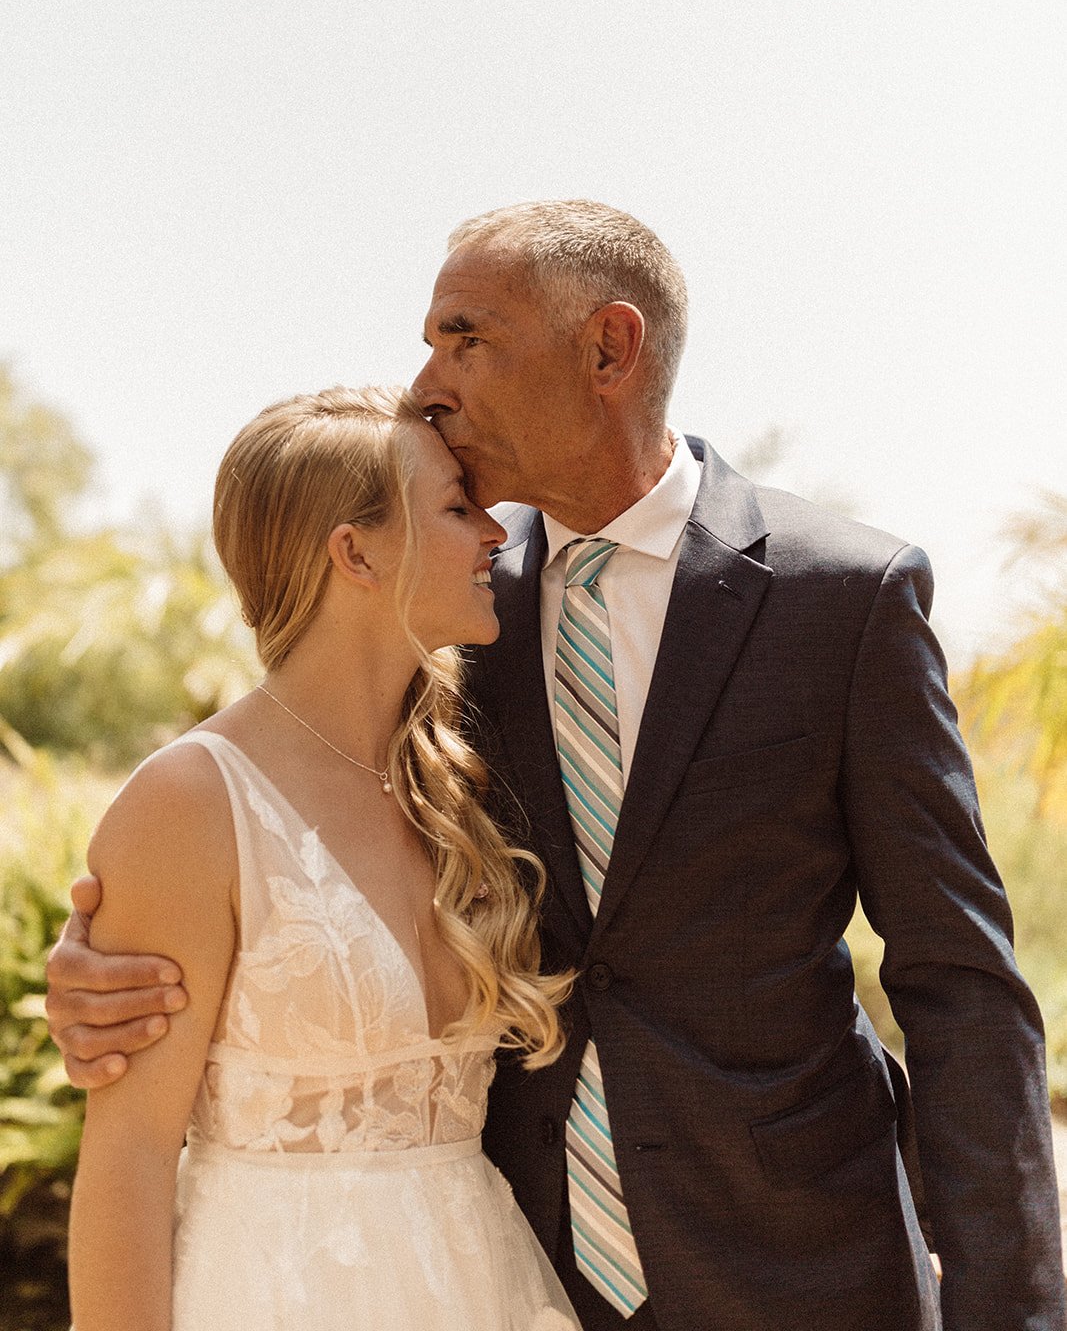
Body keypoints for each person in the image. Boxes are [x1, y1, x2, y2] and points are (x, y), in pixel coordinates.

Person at [49, 203, 1065, 1331]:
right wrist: (110, 970)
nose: (426, 381)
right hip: (514, 1270)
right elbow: (279, 843)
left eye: (462, 337)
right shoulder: (445, 620)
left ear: (607, 350)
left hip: (801, 1270)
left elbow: (960, 984)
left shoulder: (843, 600)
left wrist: (1008, 1312)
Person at [65, 384, 579, 1331]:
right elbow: (128, 1162)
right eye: (458, 508)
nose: (497, 535)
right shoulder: (190, 801)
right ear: (356, 552)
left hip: (481, 1286)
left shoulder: (454, 782)